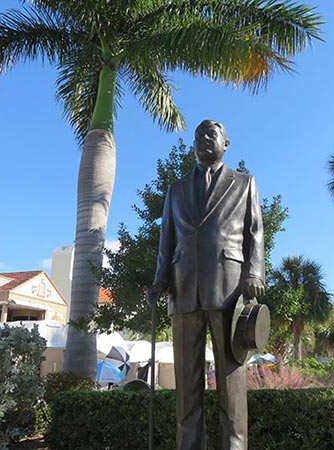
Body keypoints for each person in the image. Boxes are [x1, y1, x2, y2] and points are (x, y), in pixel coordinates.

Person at [148, 119, 265, 450]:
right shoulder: (176, 189)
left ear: (226, 143)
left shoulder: (244, 183)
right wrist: (160, 280)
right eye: (198, 136)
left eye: (210, 135)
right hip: (183, 291)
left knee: (231, 386)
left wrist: (255, 273)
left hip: (229, 292)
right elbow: (166, 240)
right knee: (187, 389)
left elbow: (255, 233)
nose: (202, 140)